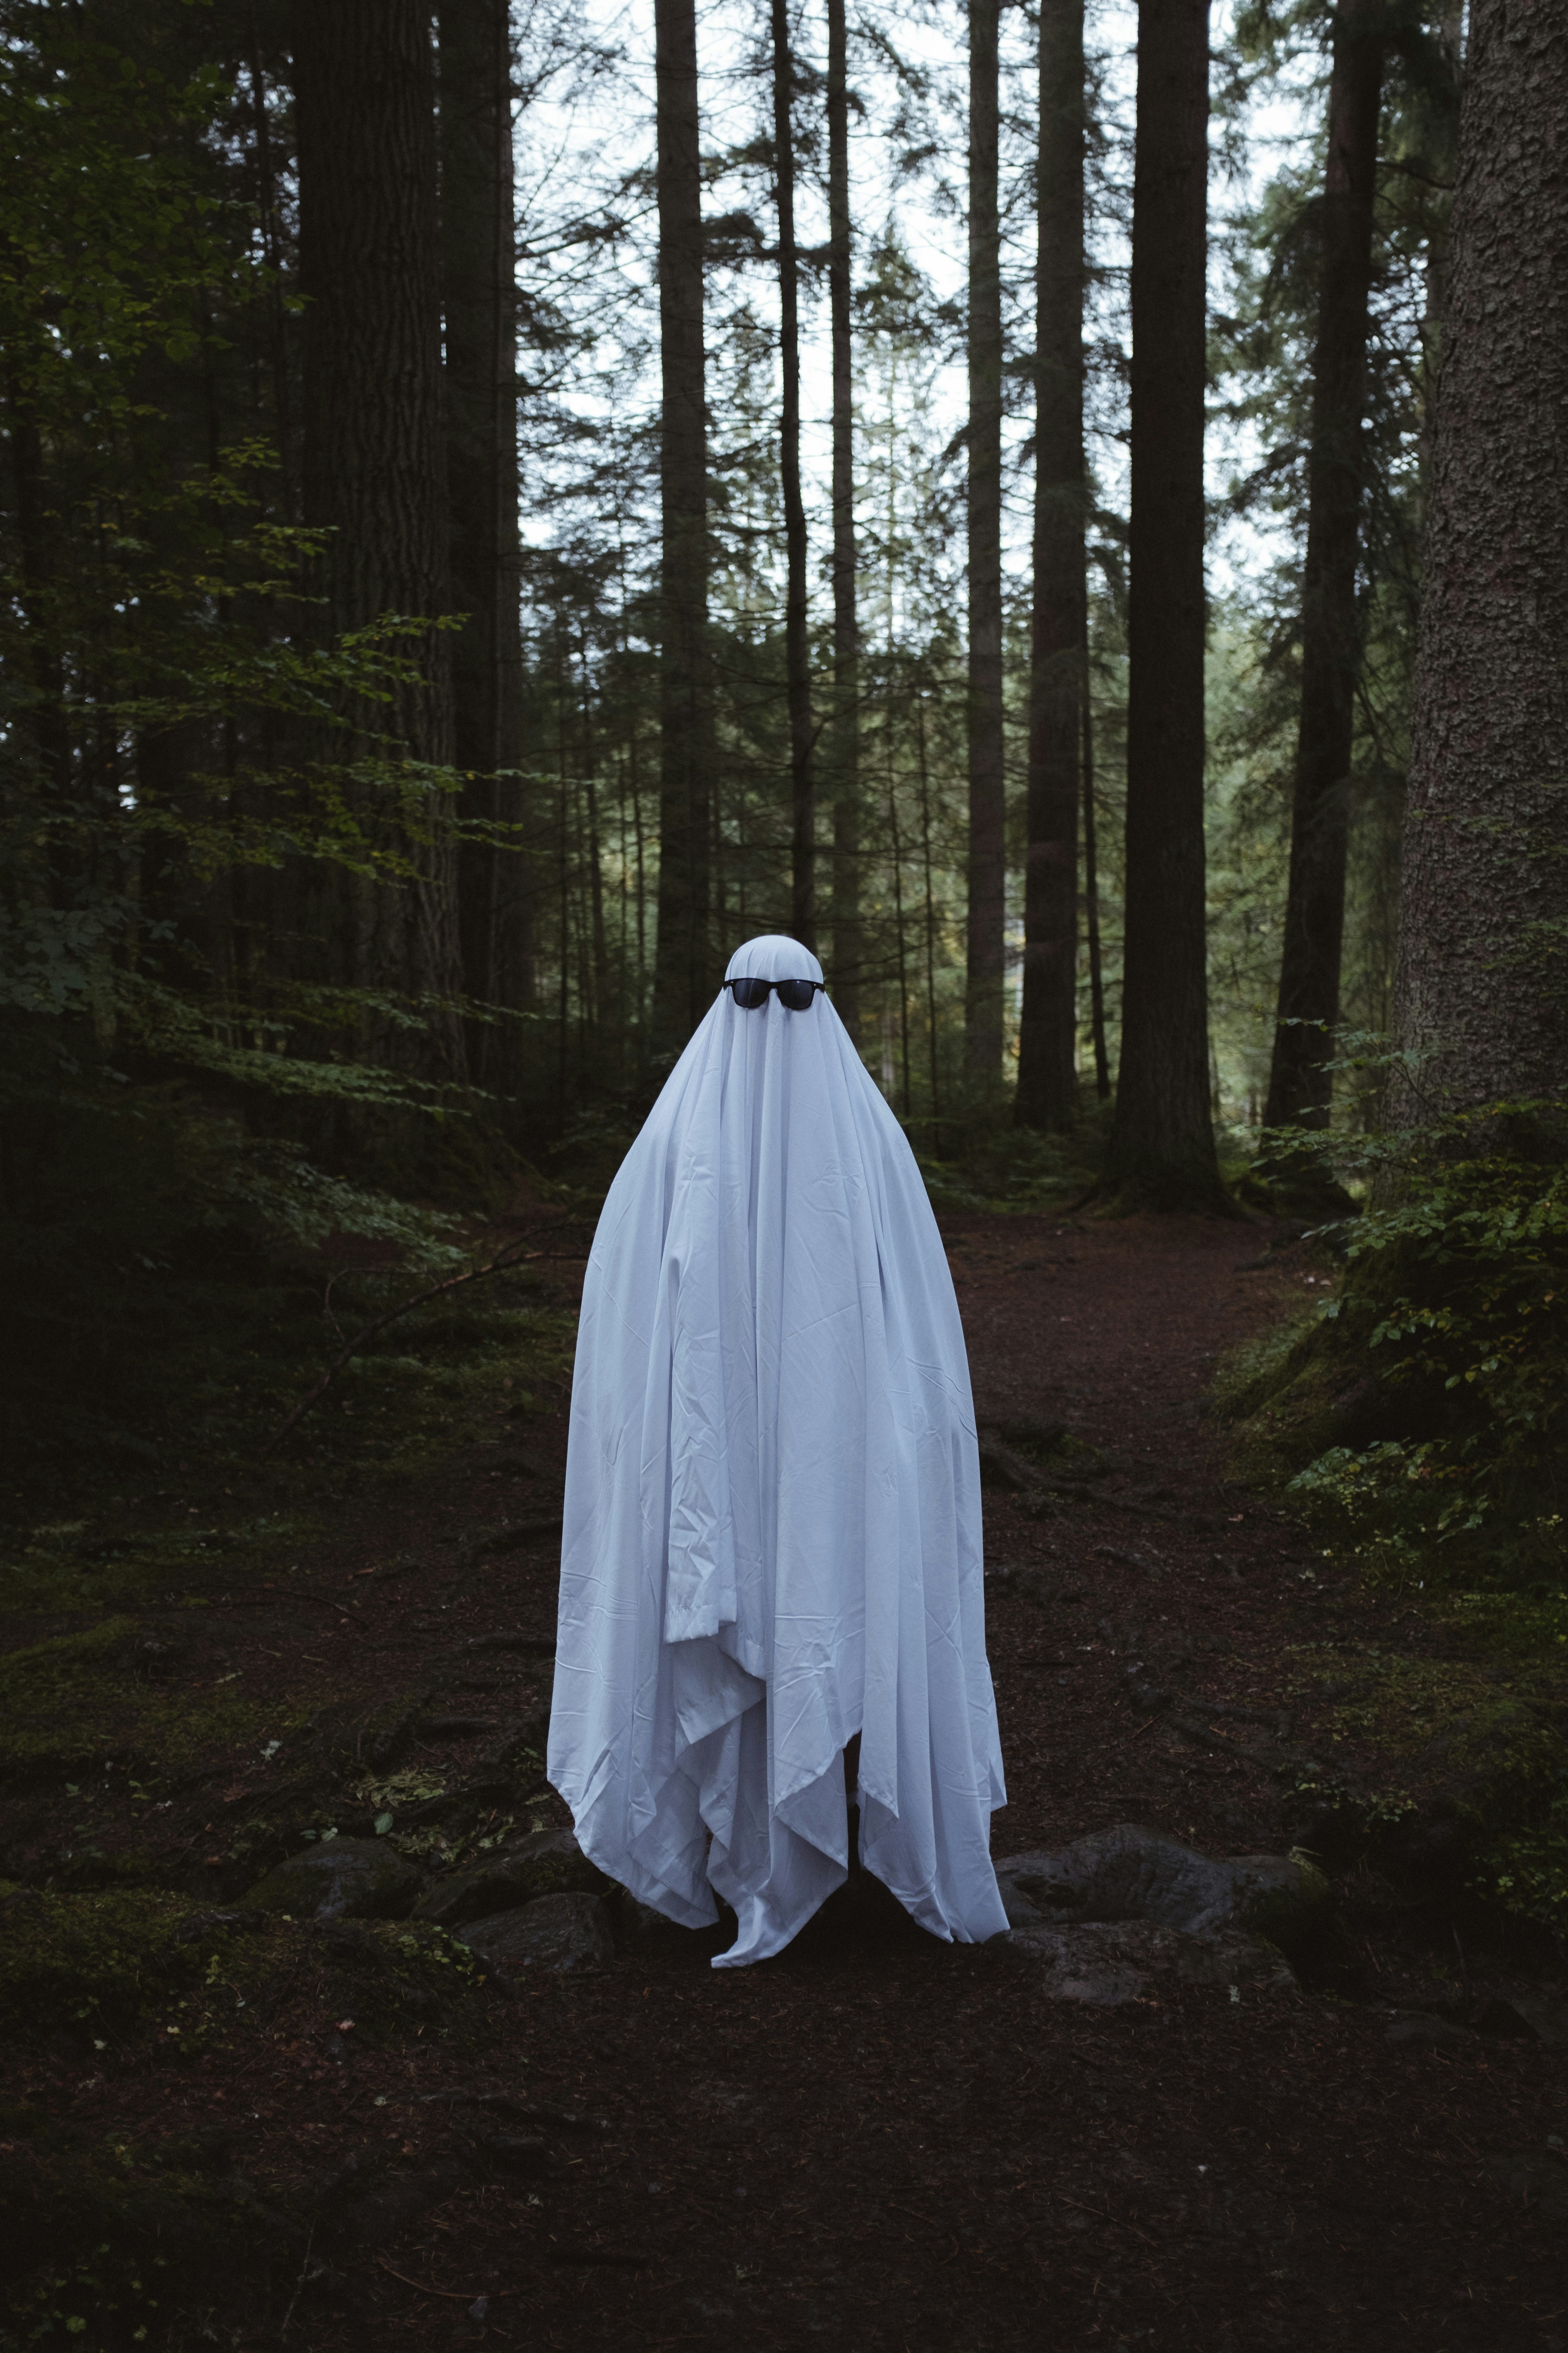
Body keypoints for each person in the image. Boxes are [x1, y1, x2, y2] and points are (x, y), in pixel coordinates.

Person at [547, 933, 1008, 1966]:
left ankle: (812, 1837)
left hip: (836, 1473)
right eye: (764, 1002)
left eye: (788, 1002)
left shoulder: (805, 1147)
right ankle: (728, 1851)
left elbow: (914, 1346)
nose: (775, 1027)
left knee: (821, 1602)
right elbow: (629, 1343)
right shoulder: (785, 1146)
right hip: (733, 1470)